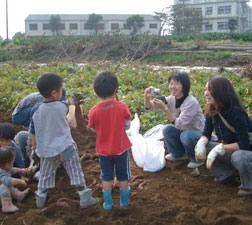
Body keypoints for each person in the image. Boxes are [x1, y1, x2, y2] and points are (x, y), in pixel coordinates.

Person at [30, 72, 97, 209]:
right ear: (55, 93)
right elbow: (67, 104)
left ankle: (40, 198)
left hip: (47, 151)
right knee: (75, 170)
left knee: (45, 174)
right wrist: (74, 101)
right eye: (61, 89)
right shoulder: (61, 107)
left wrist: (35, 149)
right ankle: (84, 197)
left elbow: (33, 132)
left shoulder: (35, 110)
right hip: (66, 147)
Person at [186, 76, 252, 196]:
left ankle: (248, 186)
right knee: (205, 147)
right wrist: (201, 143)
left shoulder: (236, 113)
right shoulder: (212, 111)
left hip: (247, 153)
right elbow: (206, 134)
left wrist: (220, 148)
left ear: (220, 92)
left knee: (239, 156)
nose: (205, 93)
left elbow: (245, 144)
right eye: (205, 89)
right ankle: (226, 173)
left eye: (209, 90)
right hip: (232, 150)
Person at [88, 71, 132, 210]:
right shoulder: (122, 106)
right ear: (115, 90)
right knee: (123, 176)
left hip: (104, 151)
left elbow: (93, 129)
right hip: (121, 149)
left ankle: (108, 203)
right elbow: (127, 125)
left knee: (106, 177)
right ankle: (124, 202)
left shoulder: (93, 111)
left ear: (96, 92)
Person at [144, 71, 205, 168]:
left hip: (199, 134)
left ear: (184, 86)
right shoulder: (171, 98)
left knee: (186, 136)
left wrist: (165, 108)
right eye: (171, 83)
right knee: (167, 129)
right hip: (185, 131)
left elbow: (180, 124)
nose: (173, 86)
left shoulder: (191, 102)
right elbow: (150, 108)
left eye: (177, 83)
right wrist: (147, 97)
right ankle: (178, 154)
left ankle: (197, 158)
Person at [0, 146, 30, 213]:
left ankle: (18, 195)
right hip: (1, 197)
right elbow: (8, 181)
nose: (13, 162)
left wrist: (21, 170)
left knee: (8, 185)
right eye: (12, 161)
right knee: (4, 186)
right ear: (7, 163)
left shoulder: (5, 168)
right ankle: (6, 206)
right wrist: (19, 181)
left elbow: (12, 170)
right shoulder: (1, 172)